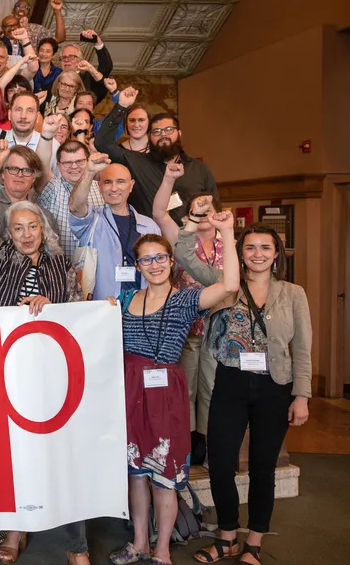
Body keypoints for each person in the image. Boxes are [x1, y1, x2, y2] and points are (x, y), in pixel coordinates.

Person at [0, 174, 85, 564]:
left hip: (51, 370)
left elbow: (76, 312)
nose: (26, 233)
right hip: (6, 368)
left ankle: (76, 544)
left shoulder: (61, 262)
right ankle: (16, 531)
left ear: (43, 228)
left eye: (32, 226)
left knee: (60, 452)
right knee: (13, 451)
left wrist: (51, 303)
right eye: (17, 228)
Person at [180, 223, 311, 565]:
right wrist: (207, 226)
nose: (257, 254)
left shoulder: (293, 293)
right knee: (221, 464)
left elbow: (303, 349)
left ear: (276, 254)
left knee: (262, 468)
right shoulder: (226, 286)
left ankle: (253, 541)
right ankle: (226, 538)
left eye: (265, 248)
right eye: (250, 248)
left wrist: (302, 396)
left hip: (275, 387)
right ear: (241, 253)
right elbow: (183, 253)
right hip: (230, 383)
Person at [109, 220, 239, 565]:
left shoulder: (185, 300)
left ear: (171, 261)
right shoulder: (124, 299)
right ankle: (139, 542)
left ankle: (162, 550)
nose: (154, 265)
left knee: (164, 476)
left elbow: (229, 285)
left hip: (165, 390)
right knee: (135, 473)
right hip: (130, 388)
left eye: (160, 258)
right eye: (146, 260)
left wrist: (227, 232)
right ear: (137, 265)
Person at [152, 162, 225, 459]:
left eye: (209, 209)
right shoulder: (182, 237)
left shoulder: (230, 241)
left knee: (213, 388)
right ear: (188, 214)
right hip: (186, 325)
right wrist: (169, 178)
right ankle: (188, 444)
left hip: (220, 327)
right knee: (186, 388)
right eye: (198, 209)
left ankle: (208, 444)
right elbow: (158, 212)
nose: (205, 214)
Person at [95, 88, 218, 219]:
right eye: (157, 132)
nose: (163, 134)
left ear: (179, 134)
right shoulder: (137, 162)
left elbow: (214, 207)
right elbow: (103, 142)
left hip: (189, 237)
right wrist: (122, 106)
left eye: (169, 129)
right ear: (150, 137)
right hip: (149, 236)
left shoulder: (199, 168)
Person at [68, 151, 161, 301]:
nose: (114, 188)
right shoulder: (92, 221)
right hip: (103, 308)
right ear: (99, 187)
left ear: (131, 186)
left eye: (121, 182)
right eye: (108, 182)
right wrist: (90, 171)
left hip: (143, 307)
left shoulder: (149, 226)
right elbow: (75, 206)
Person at [38, 140, 104, 260]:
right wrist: (47, 134)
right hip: (58, 267)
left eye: (79, 161)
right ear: (58, 165)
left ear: (88, 161)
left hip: (95, 266)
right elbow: (41, 164)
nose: (74, 166)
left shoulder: (101, 189)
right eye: (67, 163)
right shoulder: (50, 187)